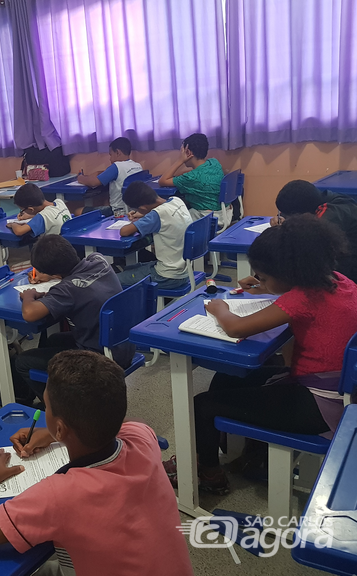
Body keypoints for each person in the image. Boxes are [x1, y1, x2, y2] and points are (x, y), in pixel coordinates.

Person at [0, 350, 194, 576]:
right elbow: (131, 422)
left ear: (61, 427)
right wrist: (54, 434)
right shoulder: (143, 441)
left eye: (46, 406)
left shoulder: (60, 495)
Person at [163, 215, 357, 495]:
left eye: (264, 276)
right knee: (225, 379)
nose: (259, 280)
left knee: (202, 405)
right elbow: (292, 298)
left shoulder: (302, 299)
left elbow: (235, 327)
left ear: (290, 275)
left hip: (321, 406)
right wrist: (266, 285)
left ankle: (209, 474)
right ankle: (233, 453)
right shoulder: (338, 282)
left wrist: (219, 308)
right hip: (337, 391)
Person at [12, 235, 132, 404]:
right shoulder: (98, 260)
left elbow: (29, 313)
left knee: (23, 362)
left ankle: (59, 409)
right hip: (121, 345)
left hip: (100, 359)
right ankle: (57, 392)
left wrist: (29, 295)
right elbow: (83, 290)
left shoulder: (68, 289)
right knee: (53, 339)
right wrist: (49, 290)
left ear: (53, 273)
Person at [272, 179, 357, 281]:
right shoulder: (316, 199)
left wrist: (283, 228)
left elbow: (305, 241)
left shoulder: (330, 216)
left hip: (348, 273)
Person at [115, 181, 192, 290]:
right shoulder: (177, 201)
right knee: (130, 268)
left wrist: (142, 217)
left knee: (115, 280)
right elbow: (160, 214)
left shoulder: (157, 215)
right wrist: (144, 213)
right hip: (184, 270)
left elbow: (124, 231)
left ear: (142, 207)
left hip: (166, 276)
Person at [158, 133, 229, 228]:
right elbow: (197, 172)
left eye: (182, 152)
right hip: (224, 212)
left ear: (188, 153)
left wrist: (180, 161)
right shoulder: (214, 163)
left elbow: (162, 181)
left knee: (170, 214)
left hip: (206, 216)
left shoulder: (191, 178)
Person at [76, 137, 143, 215]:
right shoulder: (137, 166)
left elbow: (93, 183)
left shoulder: (116, 166)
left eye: (111, 155)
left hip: (117, 211)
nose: (110, 159)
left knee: (78, 211)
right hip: (133, 209)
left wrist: (80, 177)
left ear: (118, 153)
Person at [8, 183, 72, 237]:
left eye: (22, 210)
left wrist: (13, 224)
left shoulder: (42, 217)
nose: (23, 212)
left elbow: (19, 231)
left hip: (52, 249)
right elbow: (50, 216)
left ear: (31, 209)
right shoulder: (59, 202)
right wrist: (31, 216)